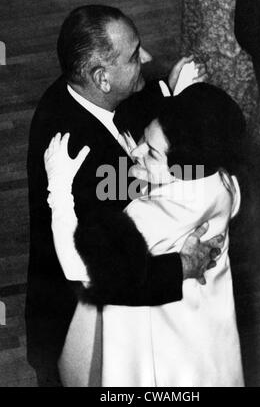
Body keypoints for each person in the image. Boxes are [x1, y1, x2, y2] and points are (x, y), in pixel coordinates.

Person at [26, 4, 222, 386]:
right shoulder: (82, 160)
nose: (146, 59)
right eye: (134, 56)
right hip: (79, 324)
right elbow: (102, 270)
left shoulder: (78, 90)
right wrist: (181, 269)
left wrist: (169, 94)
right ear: (101, 77)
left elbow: (130, 116)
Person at [44, 83, 246, 387]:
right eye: (144, 138)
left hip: (157, 331)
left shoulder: (152, 216)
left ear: (183, 168)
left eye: (150, 153)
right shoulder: (219, 179)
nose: (135, 151)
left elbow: (81, 267)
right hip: (204, 326)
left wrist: (58, 191)